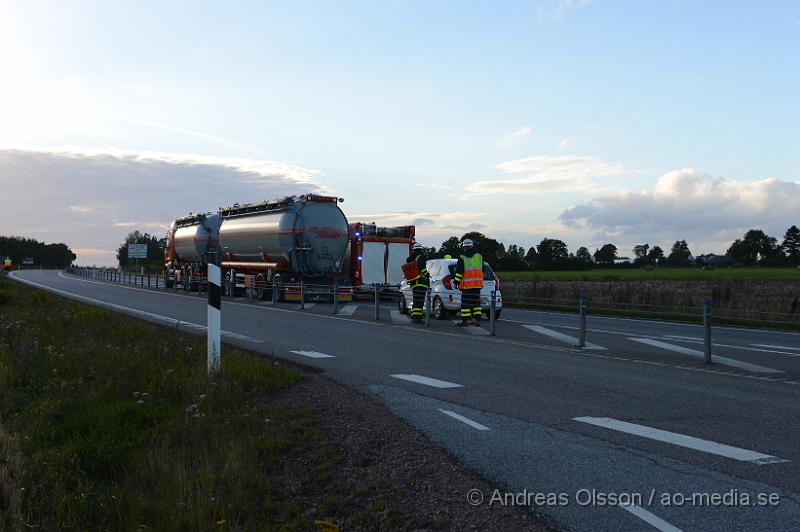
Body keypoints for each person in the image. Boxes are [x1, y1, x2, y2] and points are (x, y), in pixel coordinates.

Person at [453, 239, 483, 326]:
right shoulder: (479, 256)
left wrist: (456, 282)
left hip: (467, 285)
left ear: (464, 247)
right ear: (472, 246)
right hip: (477, 285)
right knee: (476, 303)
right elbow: (482, 269)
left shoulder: (462, 257)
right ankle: (477, 320)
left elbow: (459, 272)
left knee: (466, 304)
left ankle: (466, 320)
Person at [402, 242, 430, 324]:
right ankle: (417, 319)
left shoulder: (410, 259)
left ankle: (413, 316)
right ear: (421, 250)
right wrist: (427, 275)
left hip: (413, 283)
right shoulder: (420, 257)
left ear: (414, 250)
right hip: (421, 282)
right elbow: (422, 269)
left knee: (415, 300)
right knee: (420, 301)